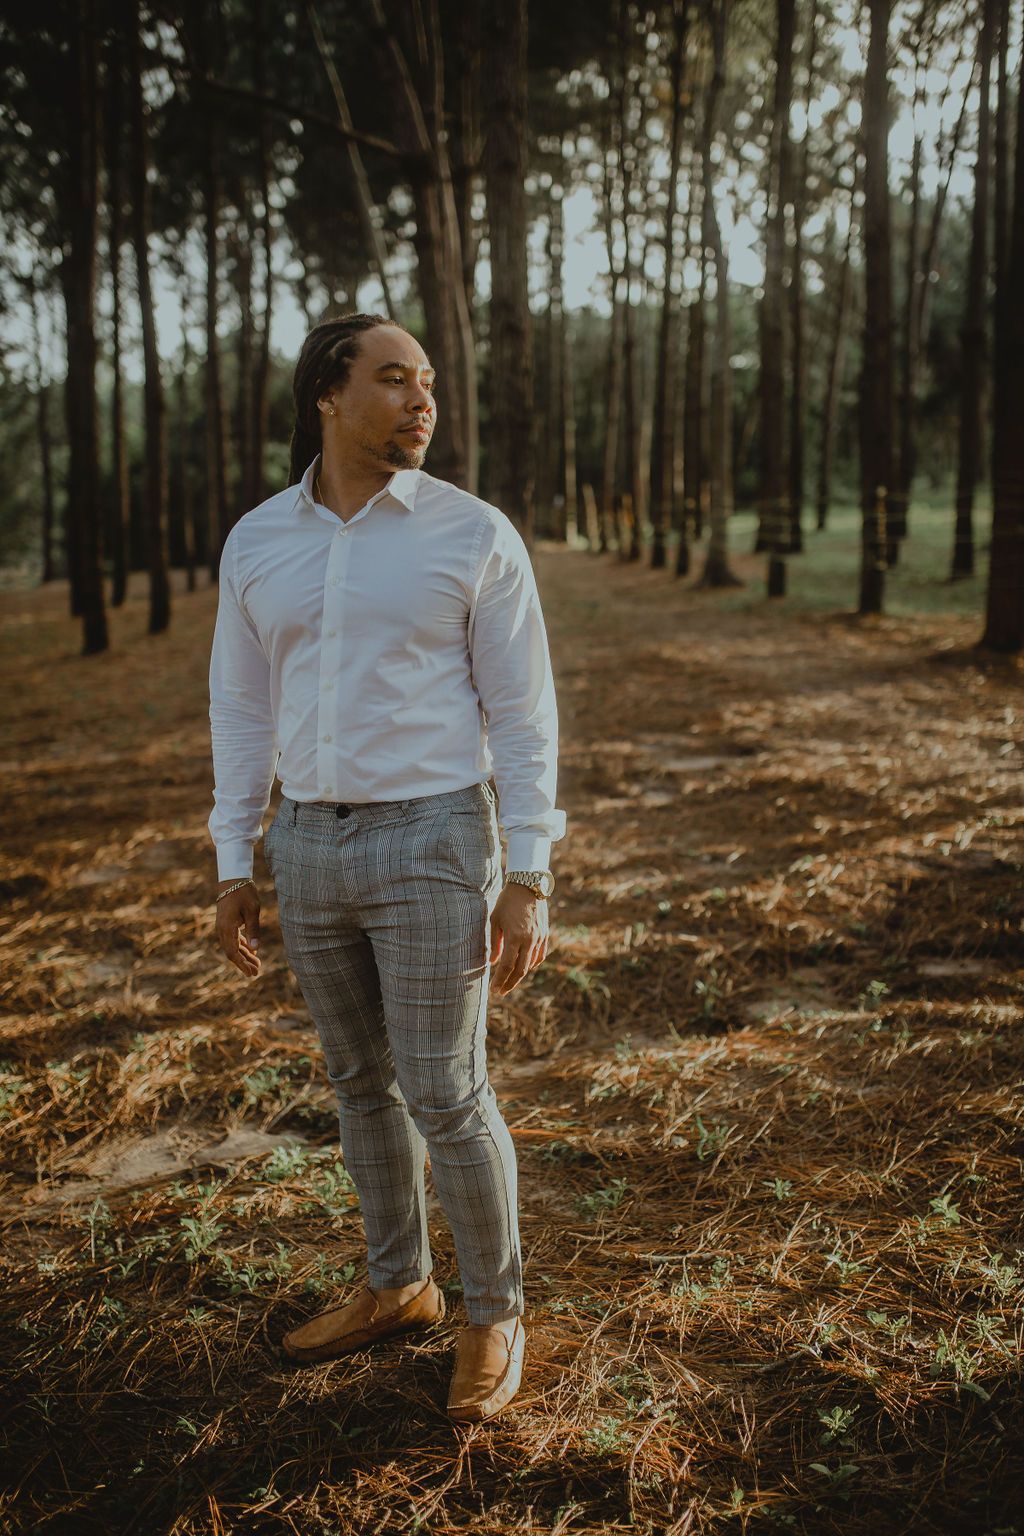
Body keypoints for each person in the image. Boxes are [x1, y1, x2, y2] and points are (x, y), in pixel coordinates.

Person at [207, 312, 566, 1424]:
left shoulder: (471, 533)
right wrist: (235, 856)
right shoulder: (260, 539)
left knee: (446, 1092)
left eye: (428, 385)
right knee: (359, 1085)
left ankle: (491, 1311)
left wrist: (531, 871)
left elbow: (522, 711)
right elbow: (240, 703)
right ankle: (396, 1282)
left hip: (436, 839)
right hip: (308, 842)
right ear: (328, 394)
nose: (423, 402)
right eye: (395, 380)